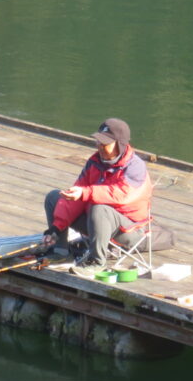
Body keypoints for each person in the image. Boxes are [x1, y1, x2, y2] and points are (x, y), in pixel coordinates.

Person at [41, 117, 172, 278]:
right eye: (98, 141)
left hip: (129, 229)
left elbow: (121, 194)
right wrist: (56, 228)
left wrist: (85, 193)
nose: (100, 146)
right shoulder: (94, 162)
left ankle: (96, 262)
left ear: (120, 144)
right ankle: (60, 252)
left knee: (99, 208)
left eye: (105, 143)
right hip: (96, 223)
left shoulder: (135, 167)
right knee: (55, 197)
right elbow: (77, 197)